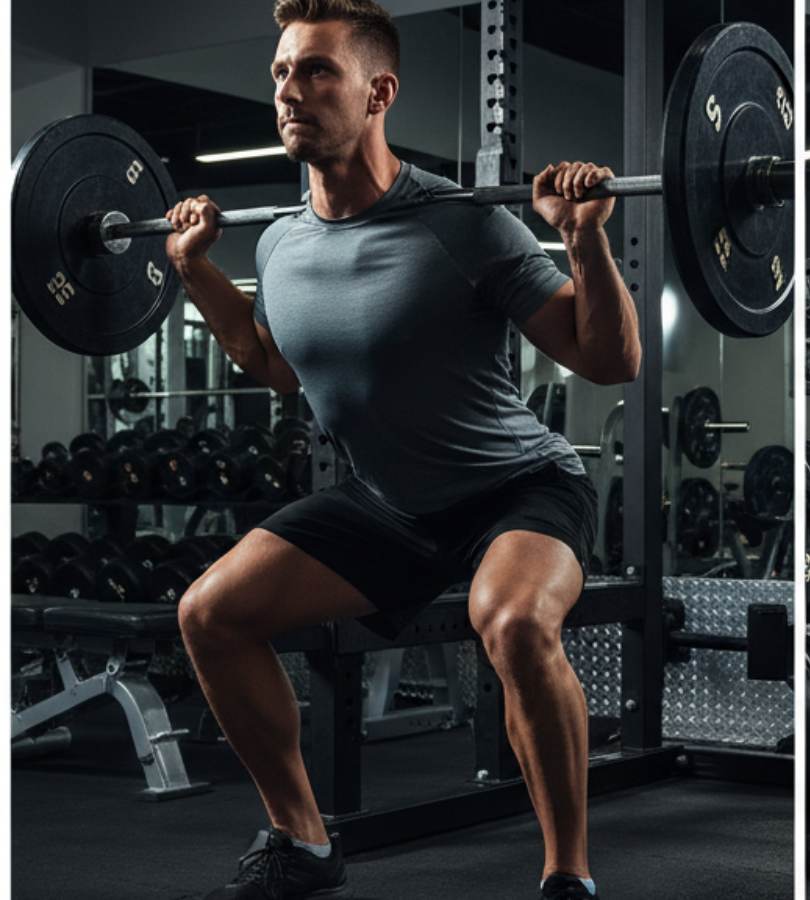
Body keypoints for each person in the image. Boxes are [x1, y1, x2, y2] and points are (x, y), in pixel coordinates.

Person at [163, 1, 637, 898]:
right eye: (280, 74)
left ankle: (567, 875)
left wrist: (584, 241)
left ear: (379, 91)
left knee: (515, 621)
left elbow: (609, 360)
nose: (289, 92)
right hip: (386, 500)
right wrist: (195, 271)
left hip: (516, 488)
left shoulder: (463, 224)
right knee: (208, 615)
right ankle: (301, 842)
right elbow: (274, 367)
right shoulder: (282, 245)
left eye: (315, 71)